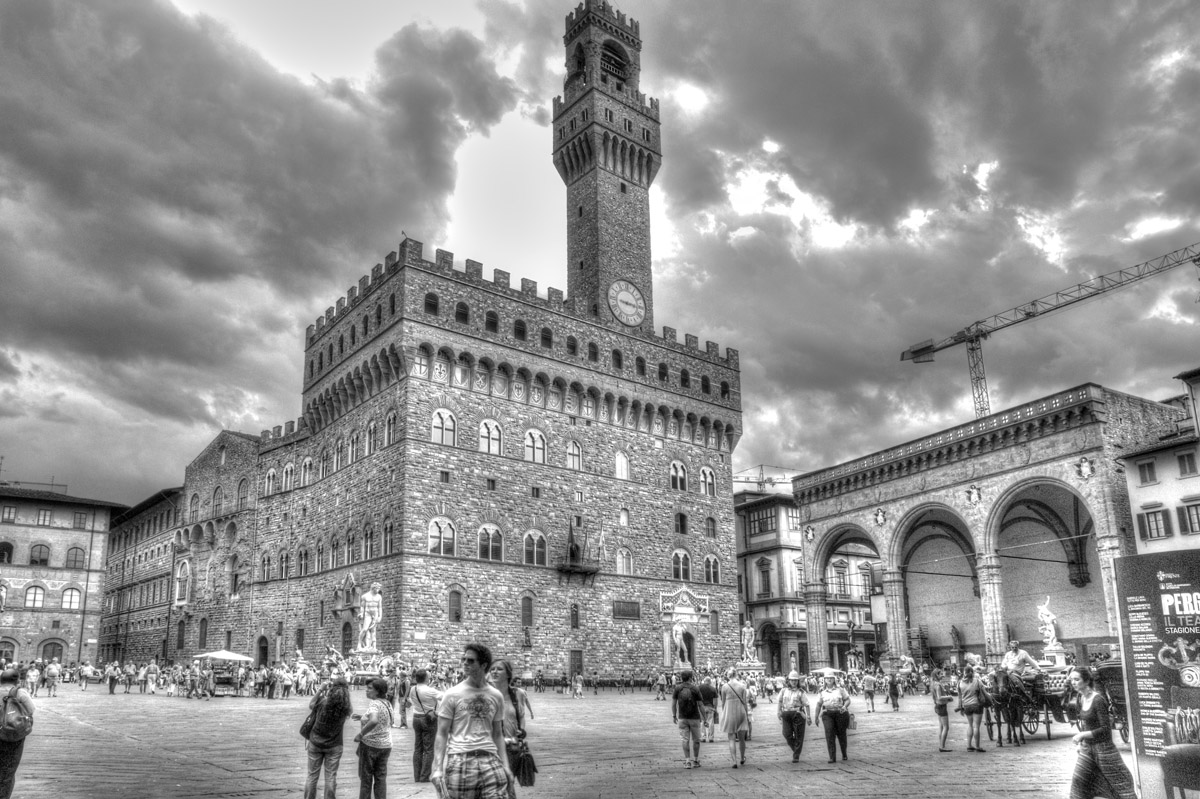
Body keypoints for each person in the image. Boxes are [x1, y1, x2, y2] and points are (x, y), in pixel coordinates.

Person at [430, 642, 512, 799]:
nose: (465, 663)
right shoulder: (452, 694)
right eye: (464, 659)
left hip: (490, 760)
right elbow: (441, 733)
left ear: (483, 665)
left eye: (471, 660)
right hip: (460, 759)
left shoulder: (496, 696)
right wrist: (438, 768)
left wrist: (506, 766)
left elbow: (497, 734)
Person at [1068, 666, 1135, 799]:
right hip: (1087, 748)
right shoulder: (1080, 698)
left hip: (1104, 749)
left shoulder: (1098, 700)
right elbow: (1085, 724)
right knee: (1078, 782)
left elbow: (1105, 729)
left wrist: (1082, 735)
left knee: (1120, 785)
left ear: (1087, 681)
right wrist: (1081, 743)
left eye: (1077, 679)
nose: (1073, 683)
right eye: (1072, 680)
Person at [305, 676, 353, 799]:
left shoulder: (323, 702)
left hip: (315, 743)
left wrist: (320, 690)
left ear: (331, 688)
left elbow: (311, 705)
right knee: (331, 777)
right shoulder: (346, 708)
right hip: (335, 745)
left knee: (312, 776)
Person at [488, 659, 534, 786]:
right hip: (490, 747)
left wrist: (522, 730)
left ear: (508, 674)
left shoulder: (517, 694)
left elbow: (521, 716)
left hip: (511, 748)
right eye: (492, 669)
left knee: (507, 784)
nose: (495, 672)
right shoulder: (485, 694)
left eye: (499, 669)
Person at [353, 677, 392, 799]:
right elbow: (381, 719)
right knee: (380, 778)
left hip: (370, 745)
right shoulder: (387, 703)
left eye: (370, 688)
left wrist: (361, 734)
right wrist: (363, 717)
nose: (366, 690)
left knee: (366, 778)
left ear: (378, 691)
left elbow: (374, 720)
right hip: (385, 745)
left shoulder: (374, 703)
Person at [0, 668, 34, 799]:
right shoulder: (19, 693)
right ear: (17, 680)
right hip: (12, 736)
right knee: (7, 772)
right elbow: (31, 710)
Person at [407, 668, 441, 783]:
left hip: (416, 718)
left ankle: (417, 776)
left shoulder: (413, 689)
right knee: (428, 749)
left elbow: (422, 691)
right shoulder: (431, 691)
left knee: (418, 748)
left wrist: (431, 685)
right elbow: (445, 696)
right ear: (426, 678)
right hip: (428, 719)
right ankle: (424, 776)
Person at [814, 673, 851, 763]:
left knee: (841, 734)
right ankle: (832, 756)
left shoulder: (840, 690)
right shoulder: (821, 691)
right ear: (824, 680)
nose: (829, 680)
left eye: (831, 678)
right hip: (827, 714)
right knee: (829, 733)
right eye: (827, 678)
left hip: (840, 713)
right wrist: (816, 717)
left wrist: (844, 706)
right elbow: (819, 704)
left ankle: (844, 753)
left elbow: (847, 700)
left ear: (834, 679)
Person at [671, 669, 704, 769]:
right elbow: (701, 704)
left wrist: (674, 715)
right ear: (690, 677)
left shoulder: (678, 688)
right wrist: (705, 718)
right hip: (694, 718)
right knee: (696, 740)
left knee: (685, 740)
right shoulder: (695, 688)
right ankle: (696, 760)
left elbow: (673, 704)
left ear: (682, 678)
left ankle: (687, 761)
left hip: (682, 717)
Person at [719, 671, 751, 768]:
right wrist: (746, 714)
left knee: (731, 738)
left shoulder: (724, 686)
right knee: (742, 738)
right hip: (740, 711)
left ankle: (734, 761)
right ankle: (742, 758)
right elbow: (745, 702)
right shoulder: (742, 686)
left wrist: (724, 714)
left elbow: (723, 703)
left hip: (729, 711)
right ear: (736, 675)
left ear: (728, 675)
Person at [777, 670, 810, 763]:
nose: (794, 682)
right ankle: (796, 748)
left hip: (798, 713)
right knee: (786, 734)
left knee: (799, 735)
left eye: (795, 680)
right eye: (792, 680)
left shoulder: (801, 692)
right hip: (786, 713)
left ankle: (796, 755)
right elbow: (779, 701)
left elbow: (807, 704)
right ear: (788, 681)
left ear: (798, 681)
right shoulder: (784, 690)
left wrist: (809, 716)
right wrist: (778, 711)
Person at [955, 665, 988, 752]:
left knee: (970, 725)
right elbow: (984, 691)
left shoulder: (959, 683)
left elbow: (959, 697)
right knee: (976, 726)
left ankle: (969, 745)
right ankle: (977, 746)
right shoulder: (977, 681)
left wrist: (960, 707)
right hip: (977, 705)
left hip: (966, 706)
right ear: (972, 673)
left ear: (964, 673)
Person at [931, 669, 954, 752]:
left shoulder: (934, 684)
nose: (943, 675)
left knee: (941, 727)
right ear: (937, 675)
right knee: (946, 727)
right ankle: (942, 746)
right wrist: (949, 697)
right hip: (941, 706)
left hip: (938, 706)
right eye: (941, 674)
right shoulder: (937, 685)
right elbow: (939, 697)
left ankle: (941, 745)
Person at [357, 583, 383, 652]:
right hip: (368, 613)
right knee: (365, 629)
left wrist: (380, 616)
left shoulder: (379, 597)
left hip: (375, 614)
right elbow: (362, 606)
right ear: (373, 588)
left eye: (379, 589)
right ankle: (359, 644)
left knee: (373, 631)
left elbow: (380, 607)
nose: (378, 590)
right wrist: (361, 613)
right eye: (377, 588)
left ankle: (372, 647)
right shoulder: (365, 596)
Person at [697, 676, 719, 743]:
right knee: (710, 722)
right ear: (710, 682)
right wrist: (715, 708)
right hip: (710, 707)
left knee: (702, 722)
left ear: (704, 681)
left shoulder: (699, 687)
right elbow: (715, 700)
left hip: (701, 707)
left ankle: (703, 737)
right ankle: (711, 737)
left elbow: (696, 698)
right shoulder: (713, 689)